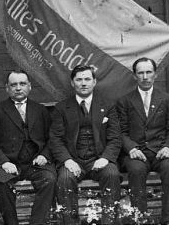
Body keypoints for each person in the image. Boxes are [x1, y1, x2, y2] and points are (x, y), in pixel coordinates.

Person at [49, 65, 122, 225]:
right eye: (79, 79)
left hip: (99, 158)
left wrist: (105, 158)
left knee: (112, 174)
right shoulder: (62, 108)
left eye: (87, 79)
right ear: (72, 83)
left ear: (94, 82)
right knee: (65, 179)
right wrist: (67, 160)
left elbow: (115, 138)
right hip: (73, 160)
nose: (83, 83)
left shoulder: (108, 105)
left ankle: (110, 222)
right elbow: (55, 139)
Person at [0, 70, 56, 225]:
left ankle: (37, 222)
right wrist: (3, 162)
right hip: (9, 163)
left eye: (22, 84)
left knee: (49, 180)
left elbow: (52, 139)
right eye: (13, 84)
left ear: (29, 87)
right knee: (0, 183)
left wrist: (44, 155)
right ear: (7, 88)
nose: (18, 88)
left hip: (35, 164)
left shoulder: (40, 110)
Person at [116, 58, 169, 224]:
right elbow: (120, 132)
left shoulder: (167, 99)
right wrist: (131, 148)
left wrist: (168, 147)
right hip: (137, 152)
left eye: (148, 72)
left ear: (155, 74)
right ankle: (141, 219)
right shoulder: (125, 101)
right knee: (136, 169)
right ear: (134, 76)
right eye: (141, 73)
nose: (145, 77)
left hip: (160, 151)